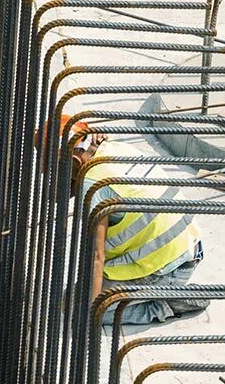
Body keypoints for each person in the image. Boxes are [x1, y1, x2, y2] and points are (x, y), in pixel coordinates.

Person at [68, 121, 207, 326]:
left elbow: (96, 257)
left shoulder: (93, 189)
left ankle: (167, 303)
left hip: (165, 269)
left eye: (49, 166)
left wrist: (88, 313)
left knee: (79, 308)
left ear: (74, 161)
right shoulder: (113, 148)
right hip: (187, 246)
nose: (45, 173)